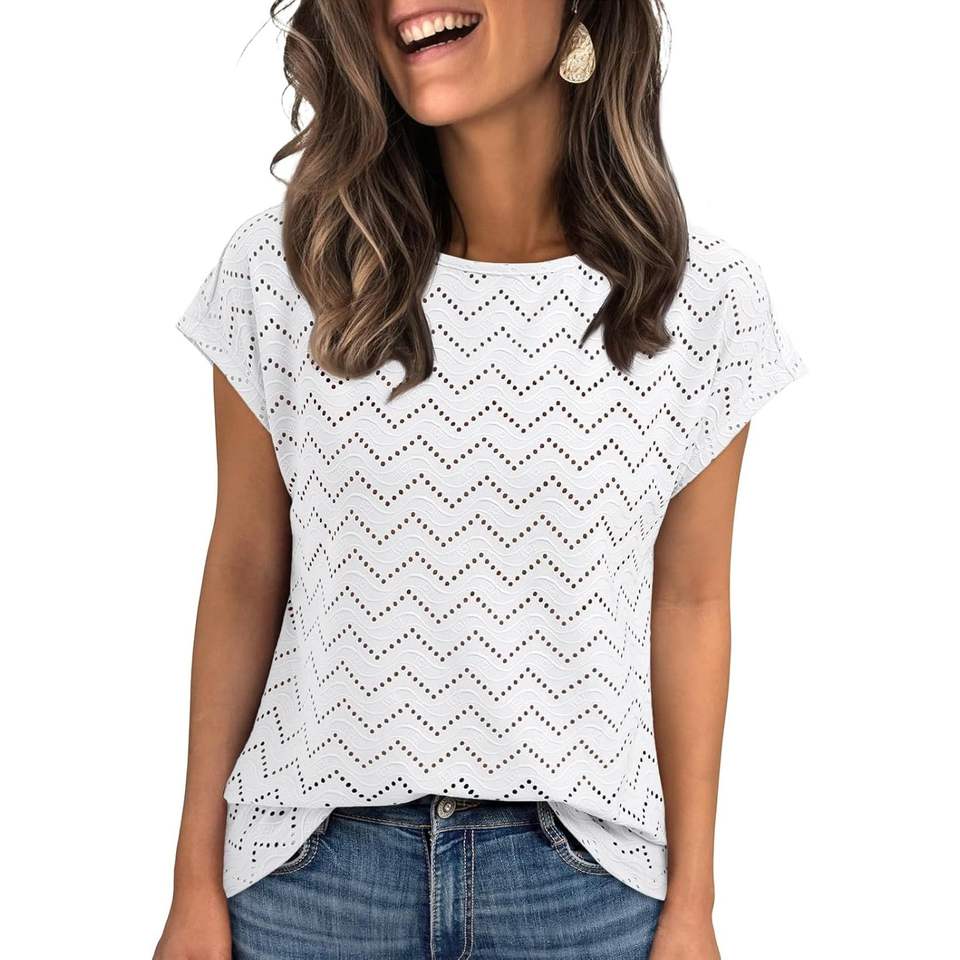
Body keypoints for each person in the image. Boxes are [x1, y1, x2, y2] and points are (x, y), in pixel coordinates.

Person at [154, 1, 808, 958]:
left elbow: (692, 600)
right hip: (311, 887)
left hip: (583, 895)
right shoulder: (288, 268)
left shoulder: (702, 301)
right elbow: (248, 569)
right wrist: (192, 884)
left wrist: (694, 905)